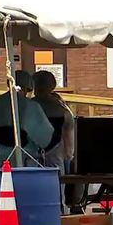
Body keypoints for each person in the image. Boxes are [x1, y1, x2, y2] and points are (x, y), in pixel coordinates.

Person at [0, 70, 54, 166]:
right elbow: (45, 138)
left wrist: (3, 138)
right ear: (27, 87)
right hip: (27, 160)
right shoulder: (31, 106)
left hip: (4, 159)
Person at [33, 70, 76, 213]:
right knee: (56, 195)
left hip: (30, 155)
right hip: (57, 155)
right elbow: (69, 138)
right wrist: (69, 158)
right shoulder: (62, 108)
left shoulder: (28, 106)